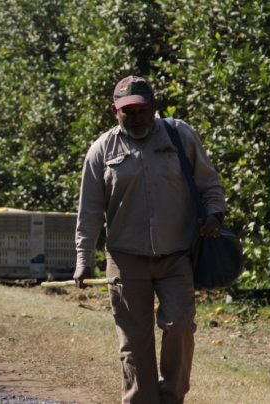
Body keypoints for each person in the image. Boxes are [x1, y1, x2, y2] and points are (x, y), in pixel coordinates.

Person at [73, 76, 227, 403]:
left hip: (176, 254)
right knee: (134, 341)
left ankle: (171, 397)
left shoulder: (180, 135)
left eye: (143, 110)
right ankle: (140, 399)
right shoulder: (101, 150)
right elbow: (89, 211)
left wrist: (215, 215)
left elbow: (209, 184)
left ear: (153, 107)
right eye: (128, 112)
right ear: (115, 112)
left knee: (181, 327)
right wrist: (83, 260)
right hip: (126, 260)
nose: (137, 117)